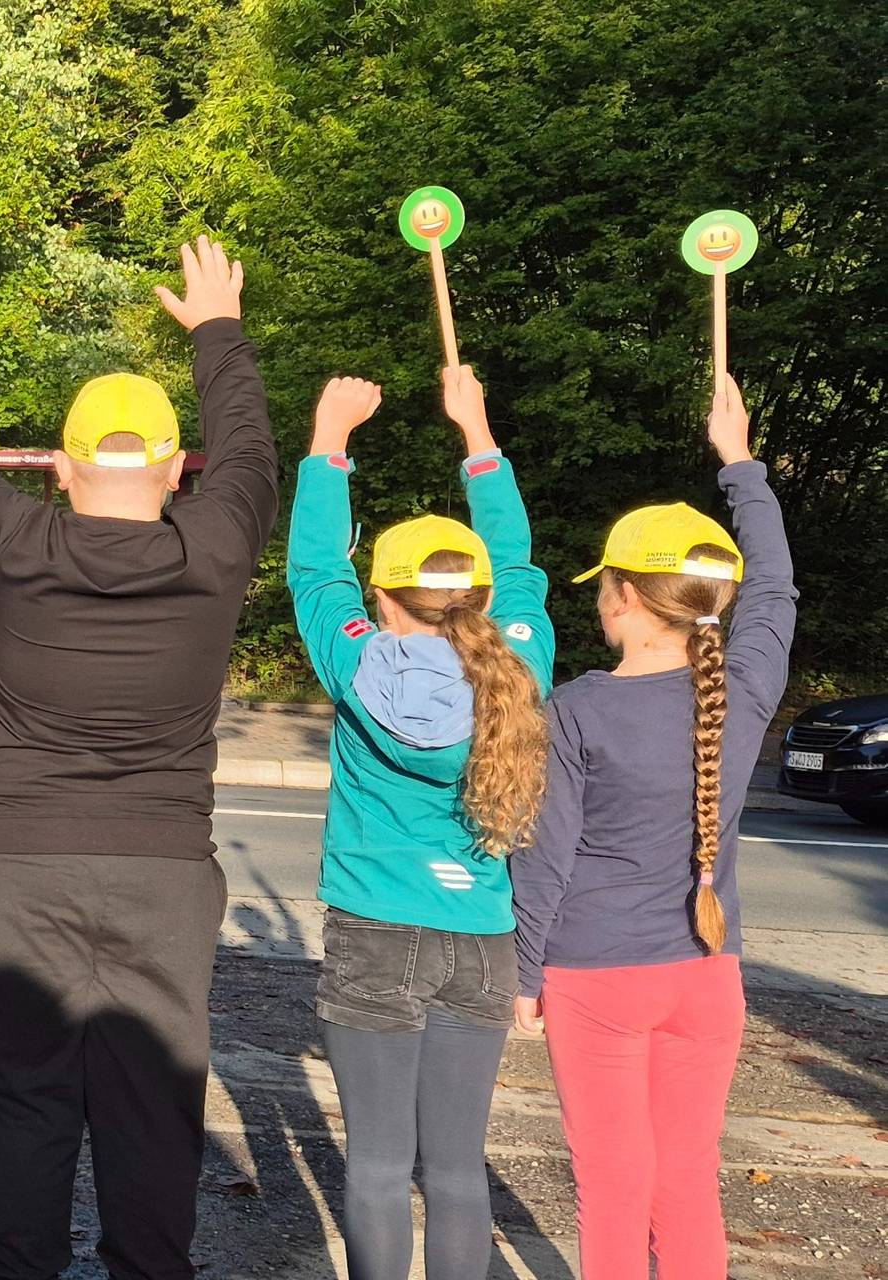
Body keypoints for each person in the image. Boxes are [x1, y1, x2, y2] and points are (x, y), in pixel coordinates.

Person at [0, 236, 279, 1280]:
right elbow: (248, 449)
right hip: (160, 876)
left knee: (19, 1115)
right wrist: (215, 331)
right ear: (173, 470)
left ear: (61, 469)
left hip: (15, 871)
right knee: (151, 1119)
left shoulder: (18, 541)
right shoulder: (213, 547)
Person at [512, 376, 792, 1280]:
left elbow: (545, 861)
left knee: (614, 1181)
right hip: (708, 972)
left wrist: (522, 976)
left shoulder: (577, 709)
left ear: (625, 596)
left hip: (595, 975)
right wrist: (740, 465)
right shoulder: (740, 692)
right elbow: (777, 592)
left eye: (606, 587)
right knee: (685, 1179)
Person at [292, 369, 553, 1280]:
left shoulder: (355, 661)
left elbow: (314, 568)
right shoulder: (518, 664)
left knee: (371, 1167)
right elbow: (519, 563)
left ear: (382, 598)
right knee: (453, 1169)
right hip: (482, 938)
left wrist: (330, 439)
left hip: (372, 932)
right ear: (480, 597)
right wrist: (475, 426)